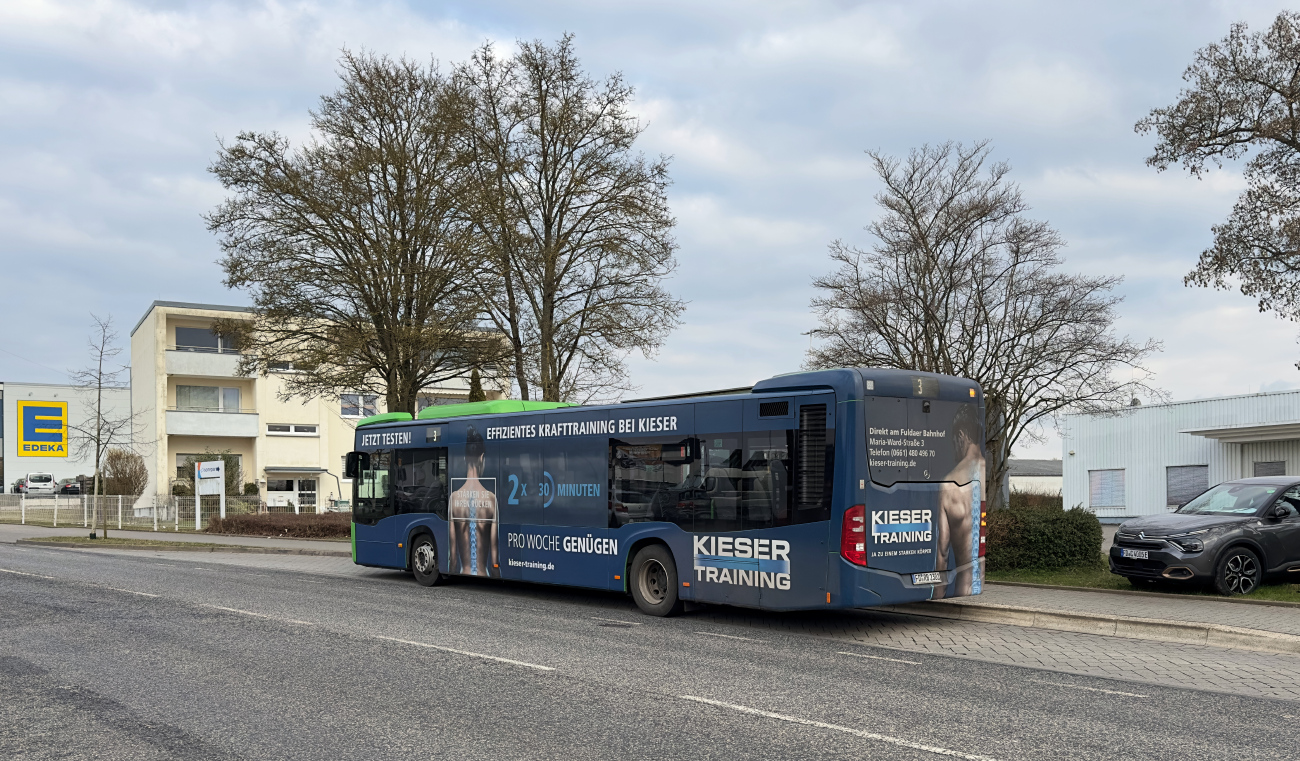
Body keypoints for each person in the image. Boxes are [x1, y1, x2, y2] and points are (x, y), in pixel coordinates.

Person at [933, 404, 983, 599]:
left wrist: (936, 597)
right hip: (978, 584)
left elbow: (942, 554)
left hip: (962, 587)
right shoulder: (984, 473)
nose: (953, 448)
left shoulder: (949, 484)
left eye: (953, 441)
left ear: (961, 436)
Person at [448, 426, 498, 576]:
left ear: (464, 458)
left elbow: (453, 560)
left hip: (464, 573)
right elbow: (495, 562)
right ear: (482, 457)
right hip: (484, 574)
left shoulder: (454, 498)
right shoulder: (491, 499)